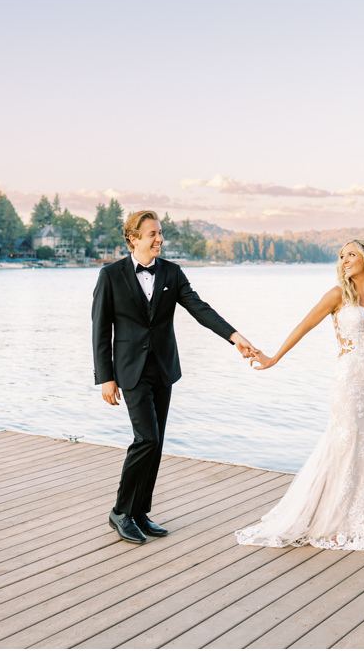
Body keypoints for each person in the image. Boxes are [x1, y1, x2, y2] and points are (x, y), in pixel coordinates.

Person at [236, 239, 364, 550]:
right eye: (341, 256)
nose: (345, 260)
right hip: (348, 382)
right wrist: (273, 358)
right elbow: (303, 326)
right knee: (345, 447)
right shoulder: (337, 294)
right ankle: (334, 522)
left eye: (351, 254)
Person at [93, 209, 257, 544]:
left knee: (157, 443)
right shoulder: (110, 275)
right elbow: (100, 329)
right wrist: (105, 378)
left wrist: (234, 336)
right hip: (130, 371)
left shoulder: (172, 272)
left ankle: (140, 513)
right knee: (146, 439)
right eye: (152, 234)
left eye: (160, 232)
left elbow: (199, 309)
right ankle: (120, 512)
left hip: (164, 369)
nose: (159, 239)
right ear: (133, 238)